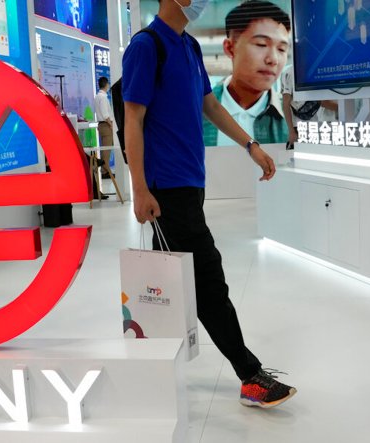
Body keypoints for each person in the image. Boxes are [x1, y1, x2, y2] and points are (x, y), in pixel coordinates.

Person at [123, 0, 296, 408]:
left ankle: (152, 369)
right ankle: (249, 375)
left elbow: (211, 106)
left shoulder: (188, 46)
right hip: (166, 190)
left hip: (190, 185)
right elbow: (133, 119)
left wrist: (250, 145)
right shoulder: (146, 46)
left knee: (173, 285)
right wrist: (140, 189)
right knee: (208, 283)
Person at [201, 1, 291, 147]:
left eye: (282, 49)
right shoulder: (195, 111)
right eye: (261, 44)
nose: (273, 59)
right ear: (230, 48)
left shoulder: (293, 117)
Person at [281, 65, 338, 148]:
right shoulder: (289, 73)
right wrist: (291, 131)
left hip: (315, 124)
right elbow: (285, 103)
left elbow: (321, 100)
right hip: (299, 126)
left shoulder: (316, 69)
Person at [94, 77, 115, 177]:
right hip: (106, 125)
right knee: (107, 149)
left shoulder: (97, 97)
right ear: (106, 85)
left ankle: (103, 169)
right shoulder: (103, 97)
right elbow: (105, 114)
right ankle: (105, 170)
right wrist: (111, 125)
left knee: (105, 149)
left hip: (102, 125)